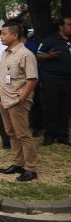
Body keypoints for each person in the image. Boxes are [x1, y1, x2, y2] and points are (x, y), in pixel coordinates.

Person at [0, 22, 38, 181]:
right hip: (4, 99)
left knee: (23, 134)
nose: (1, 36)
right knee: (11, 133)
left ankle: (30, 169)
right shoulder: (5, 53)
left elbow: (32, 80)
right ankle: (17, 163)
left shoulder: (26, 54)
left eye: (4, 33)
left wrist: (21, 99)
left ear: (14, 36)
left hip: (17, 101)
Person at [36, 16, 71, 146]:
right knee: (51, 107)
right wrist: (49, 56)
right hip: (51, 79)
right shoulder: (50, 40)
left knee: (65, 108)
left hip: (68, 79)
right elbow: (38, 54)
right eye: (69, 25)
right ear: (61, 26)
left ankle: (63, 135)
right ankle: (49, 135)